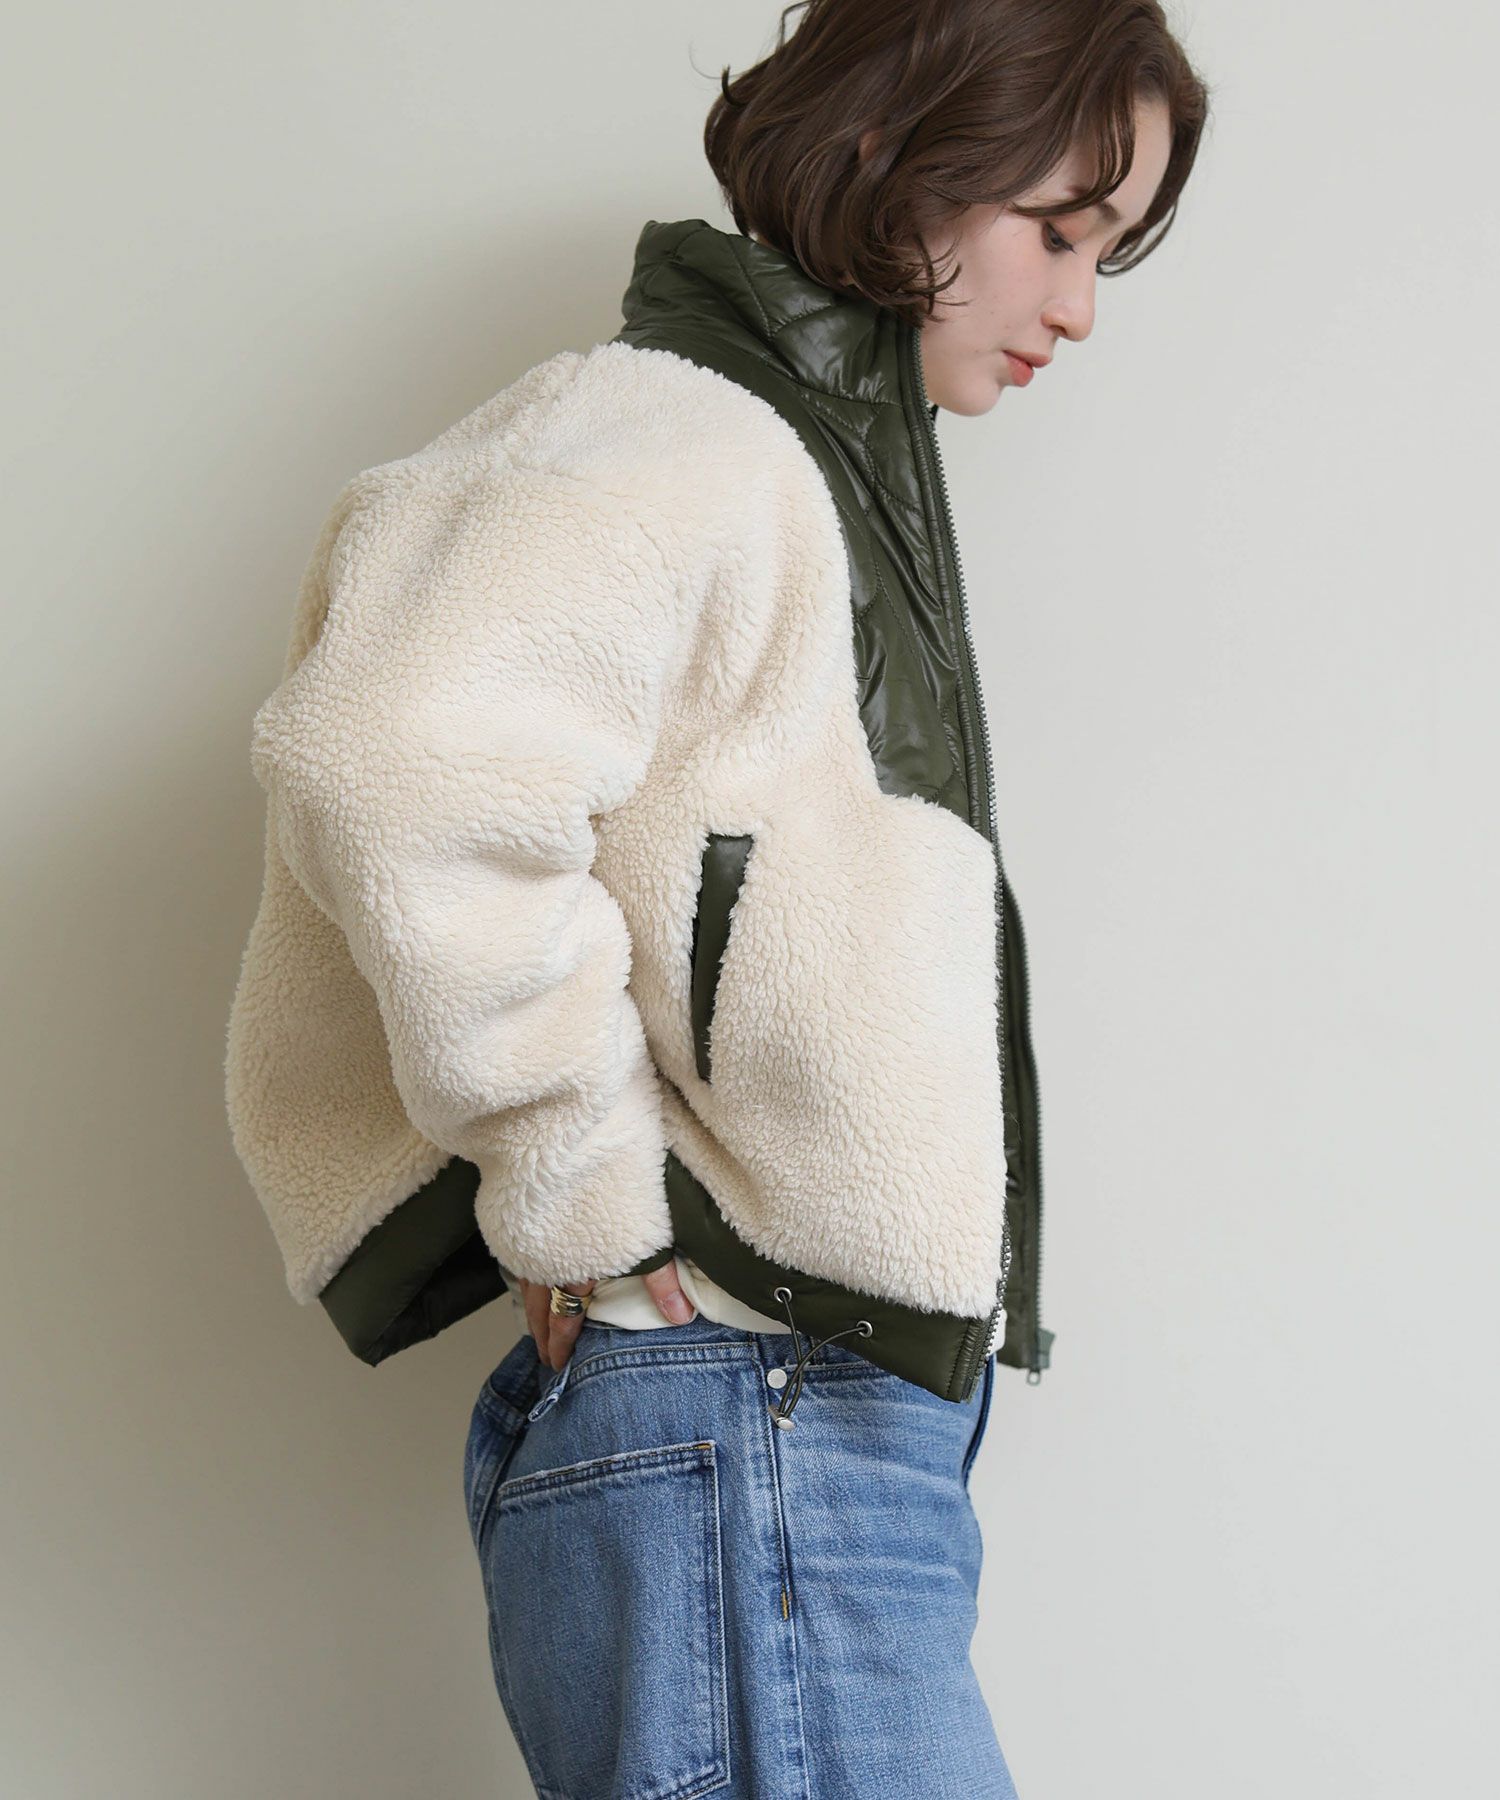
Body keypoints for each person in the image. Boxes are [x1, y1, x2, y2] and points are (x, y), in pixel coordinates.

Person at [225, 1, 1209, 1792]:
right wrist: (581, 1196)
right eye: (1060, 230)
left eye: (1105, 252)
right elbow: (391, 755)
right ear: (893, 153)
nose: (1077, 306)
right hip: (750, 1401)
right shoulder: (675, 439)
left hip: (799, 1424)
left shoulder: (798, 472)